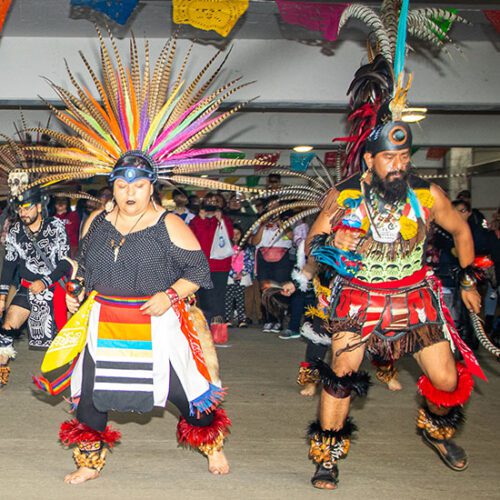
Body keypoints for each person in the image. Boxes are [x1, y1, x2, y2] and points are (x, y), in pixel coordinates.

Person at [18, 31, 269, 485]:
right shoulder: (96, 222)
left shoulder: (171, 224)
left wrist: (170, 295)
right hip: (103, 317)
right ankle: (89, 462)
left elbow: (198, 272)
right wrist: (77, 292)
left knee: (182, 389)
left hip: (156, 320)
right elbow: (87, 267)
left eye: (137, 185)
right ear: (111, 186)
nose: (129, 193)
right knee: (90, 390)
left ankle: (211, 446)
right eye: (121, 185)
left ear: (152, 186)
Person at [304, 119, 483, 490]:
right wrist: (334, 245)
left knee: (447, 381)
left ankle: (436, 429)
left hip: (414, 297)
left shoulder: (427, 195)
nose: (398, 164)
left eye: (403, 156)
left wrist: (468, 280)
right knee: (340, 375)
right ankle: (328, 456)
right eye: (389, 157)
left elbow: (462, 230)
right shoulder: (345, 196)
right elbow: (312, 243)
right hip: (357, 297)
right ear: (370, 159)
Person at [0, 186, 70, 386]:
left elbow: (65, 261)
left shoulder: (55, 226)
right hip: (26, 289)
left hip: (55, 290)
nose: (23, 213)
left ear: (39, 207)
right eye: (20, 209)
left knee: (68, 338)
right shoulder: (15, 231)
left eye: (28, 208)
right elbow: (9, 265)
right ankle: (1, 375)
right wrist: (2, 297)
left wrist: (46, 281)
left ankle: (80, 378)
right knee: (6, 328)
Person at [190, 192, 234, 324]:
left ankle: (218, 326)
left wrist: (221, 220)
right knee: (203, 296)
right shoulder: (196, 221)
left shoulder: (224, 220)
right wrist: (201, 220)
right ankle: (204, 324)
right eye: (208, 203)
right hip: (202, 265)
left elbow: (230, 236)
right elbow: (195, 240)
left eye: (215, 203)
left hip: (220, 265)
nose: (211, 206)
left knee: (218, 296)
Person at [252, 196, 293, 333]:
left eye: (275, 205)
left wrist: (282, 224)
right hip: (264, 255)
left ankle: (280, 320)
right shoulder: (260, 221)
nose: (273, 208)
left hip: (281, 256)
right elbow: (254, 242)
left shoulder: (286, 220)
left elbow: (291, 237)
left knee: (280, 287)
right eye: (270, 205)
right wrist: (263, 225)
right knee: (265, 288)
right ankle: (268, 319)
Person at [224, 224, 254, 327]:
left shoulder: (246, 249)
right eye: (233, 233)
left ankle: (242, 319)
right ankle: (227, 318)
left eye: (238, 234)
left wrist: (242, 273)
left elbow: (250, 262)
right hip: (230, 276)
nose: (235, 236)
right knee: (229, 297)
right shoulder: (226, 247)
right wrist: (233, 273)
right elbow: (225, 262)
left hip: (242, 276)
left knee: (240, 297)